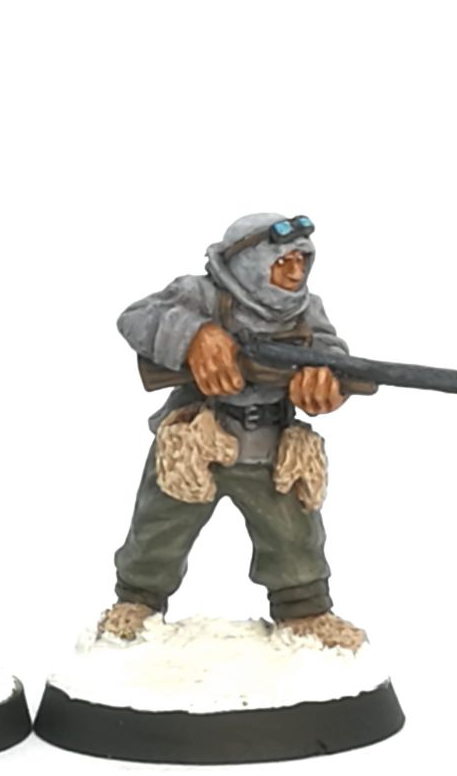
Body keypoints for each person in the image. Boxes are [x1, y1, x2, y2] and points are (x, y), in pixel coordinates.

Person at [98, 213, 366, 650]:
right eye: (282, 262)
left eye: (301, 260)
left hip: (271, 445)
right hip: (195, 440)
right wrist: (195, 335)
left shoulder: (305, 309)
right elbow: (138, 317)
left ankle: (304, 613)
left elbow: (330, 350)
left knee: (293, 537)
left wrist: (325, 379)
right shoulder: (201, 294)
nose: (294, 272)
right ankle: (137, 603)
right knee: (159, 529)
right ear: (248, 261)